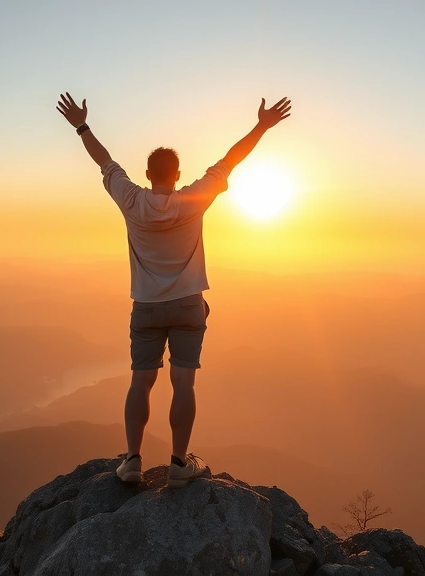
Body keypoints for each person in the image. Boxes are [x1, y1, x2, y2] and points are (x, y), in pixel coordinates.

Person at [56, 92, 292, 487]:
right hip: (188, 306)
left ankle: (132, 460)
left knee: (140, 382)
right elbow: (230, 160)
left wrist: (81, 125)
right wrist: (262, 126)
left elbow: (104, 159)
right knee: (184, 383)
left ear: (148, 174)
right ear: (177, 174)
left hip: (146, 307)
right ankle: (180, 464)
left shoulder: (131, 199)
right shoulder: (192, 201)